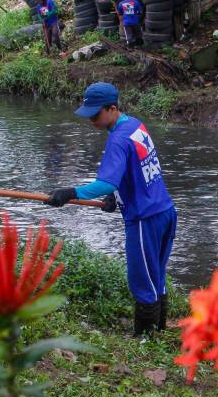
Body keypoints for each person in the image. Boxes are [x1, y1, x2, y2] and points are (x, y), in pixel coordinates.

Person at [45, 82, 177, 337]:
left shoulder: (118, 139)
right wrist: (115, 196)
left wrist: (70, 193)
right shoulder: (135, 125)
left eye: (95, 115)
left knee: (141, 279)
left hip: (144, 218)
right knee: (156, 275)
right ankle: (159, 332)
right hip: (165, 211)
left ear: (112, 108)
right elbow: (135, 170)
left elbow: (107, 180)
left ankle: (145, 338)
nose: (91, 121)